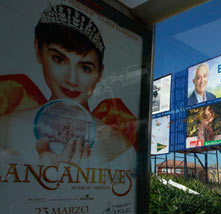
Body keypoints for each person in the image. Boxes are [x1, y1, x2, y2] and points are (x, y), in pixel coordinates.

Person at [0, 4, 137, 164]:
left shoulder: (120, 148)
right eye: (59, 59)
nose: (71, 80)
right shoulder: (6, 129)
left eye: (85, 68)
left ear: (100, 73)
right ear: (38, 50)